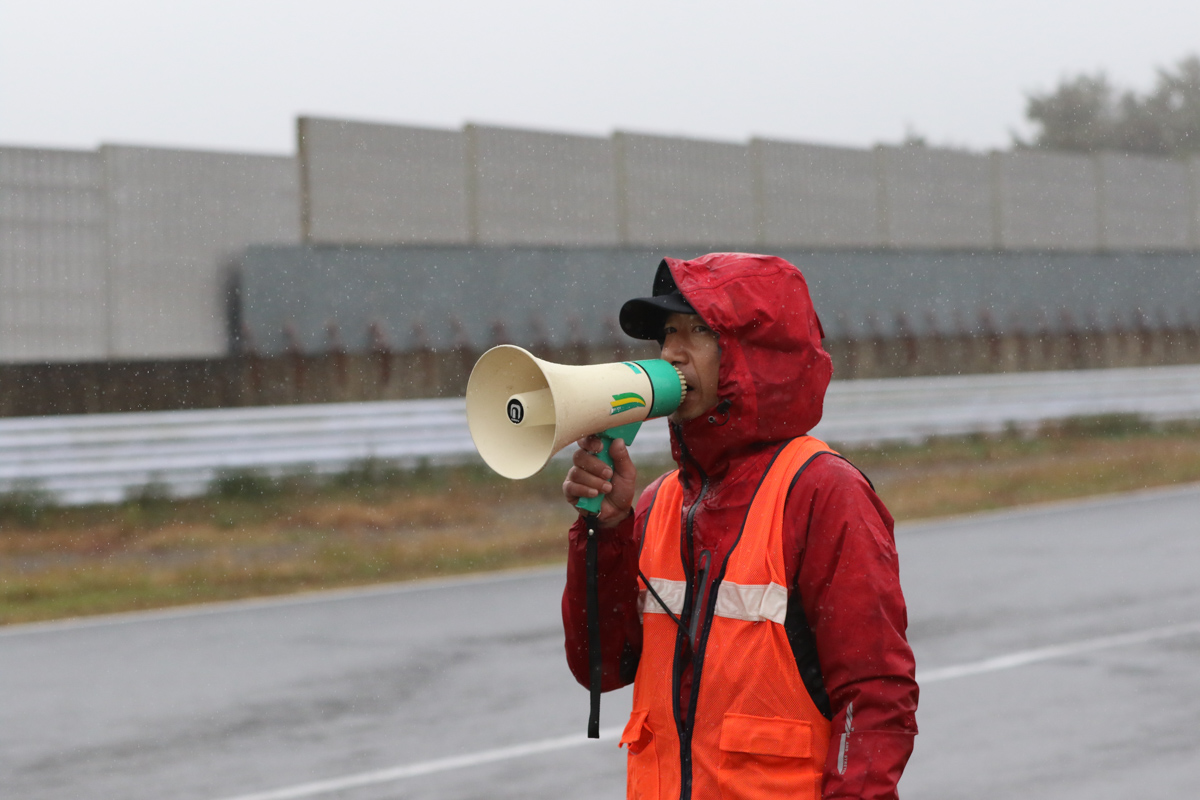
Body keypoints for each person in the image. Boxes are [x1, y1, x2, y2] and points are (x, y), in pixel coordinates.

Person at [561, 253, 918, 800]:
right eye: (667, 334)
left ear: (755, 354)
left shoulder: (823, 493)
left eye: (698, 331)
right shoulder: (656, 504)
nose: (673, 353)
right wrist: (605, 532)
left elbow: (875, 694)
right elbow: (602, 668)